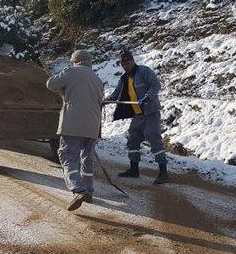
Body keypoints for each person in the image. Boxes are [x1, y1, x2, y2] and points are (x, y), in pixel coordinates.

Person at [46, 50, 104, 211]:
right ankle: (89, 192)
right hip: (93, 125)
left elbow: (50, 84)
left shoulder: (71, 71)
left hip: (73, 123)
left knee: (67, 156)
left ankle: (78, 190)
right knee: (87, 158)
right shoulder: (97, 78)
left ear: (75, 61)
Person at [107, 50, 168, 184]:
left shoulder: (144, 71)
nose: (125, 66)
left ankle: (163, 172)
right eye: (123, 64)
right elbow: (117, 93)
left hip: (150, 112)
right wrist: (107, 100)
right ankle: (134, 169)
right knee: (133, 140)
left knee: (154, 138)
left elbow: (156, 85)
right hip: (138, 114)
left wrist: (147, 97)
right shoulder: (124, 78)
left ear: (133, 61)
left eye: (127, 63)